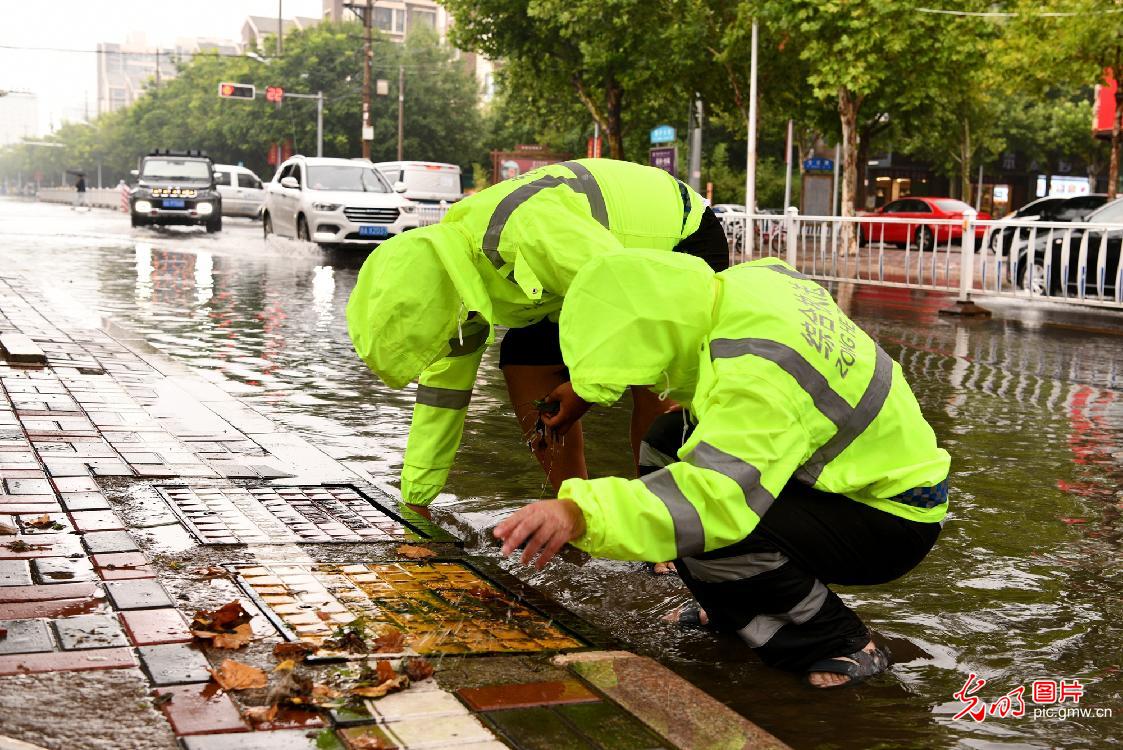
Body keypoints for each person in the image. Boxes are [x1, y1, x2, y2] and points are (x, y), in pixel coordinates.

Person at [493, 250, 950, 688]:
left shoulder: (758, 375)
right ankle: (735, 607)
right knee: (667, 441)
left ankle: (840, 640)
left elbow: (710, 500)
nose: (651, 381)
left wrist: (577, 512)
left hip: (889, 517)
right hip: (851, 474)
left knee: (700, 521)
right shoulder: (746, 284)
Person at [347, 158, 728, 512]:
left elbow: (625, 303)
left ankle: (666, 529)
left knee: (657, 380)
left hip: (675, 241)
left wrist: (584, 390)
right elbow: (440, 400)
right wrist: (415, 504)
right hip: (585, 277)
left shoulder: (532, 233)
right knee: (523, 362)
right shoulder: (448, 279)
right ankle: (576, 513)